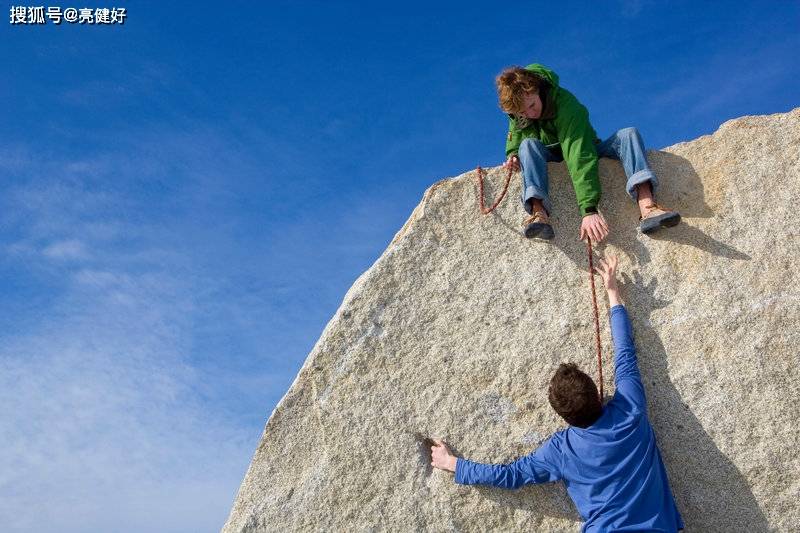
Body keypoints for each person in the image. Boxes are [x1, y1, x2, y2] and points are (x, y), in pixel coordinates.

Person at [430, 255, 684, 532]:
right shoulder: (630, 409)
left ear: (564, 417)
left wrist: (453, 464)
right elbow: (624, 352)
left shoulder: (562, 450)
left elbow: (510, 475)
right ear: (598, 396)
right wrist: (613, 291)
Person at [496, 63, 680, 241]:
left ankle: (648, 207)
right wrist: (512, 154)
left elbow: (579, 154)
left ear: (536, 89)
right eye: (523, 112)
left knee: (628, 134)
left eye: (532, 105)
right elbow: (517, 132)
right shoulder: (521, 111)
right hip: (551, 153)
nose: (530, 114)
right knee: (527, 146)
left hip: (585, 146)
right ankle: (539, 214)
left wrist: (589, 209)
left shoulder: (567, 106)